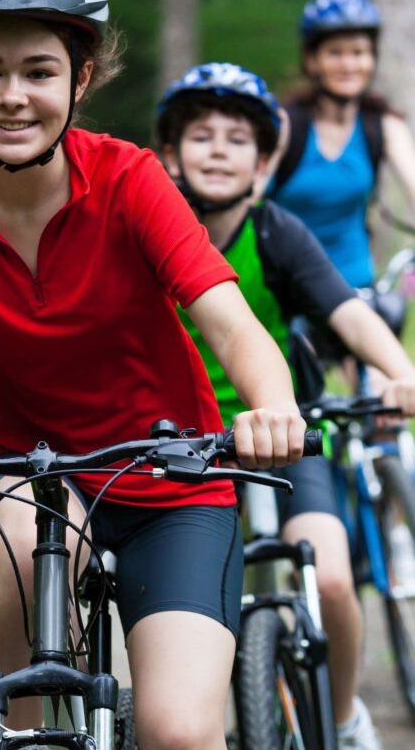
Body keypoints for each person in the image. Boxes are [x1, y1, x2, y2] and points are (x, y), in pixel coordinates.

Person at [0, 0, 307, 748]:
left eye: (38, 71)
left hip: (171, 492)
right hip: (24, 475)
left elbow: (231, 320)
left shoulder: (131, 179)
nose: (11, 96)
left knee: (176, 730)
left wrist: (273, 404)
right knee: (35, 534)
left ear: (82, 76)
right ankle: (23, 734)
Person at [155, 61, 415, 750]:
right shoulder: (150, 229)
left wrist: (399, 370)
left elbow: (347, 313)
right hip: (175, 442)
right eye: (200, 135)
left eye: (237, 139)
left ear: (265, 162)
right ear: (169, 156)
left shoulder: (277, 233)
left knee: (329, 570)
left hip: (288, 431)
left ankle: (346, 712)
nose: (217, 149)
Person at [269, 0, 415, 290]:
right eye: (335, 53)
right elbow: (244, 199)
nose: (348, 65)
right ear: (311, 61)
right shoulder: (284, 125)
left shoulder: (383, 126)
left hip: (355, 289)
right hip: (282, 289)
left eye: (359, 53)